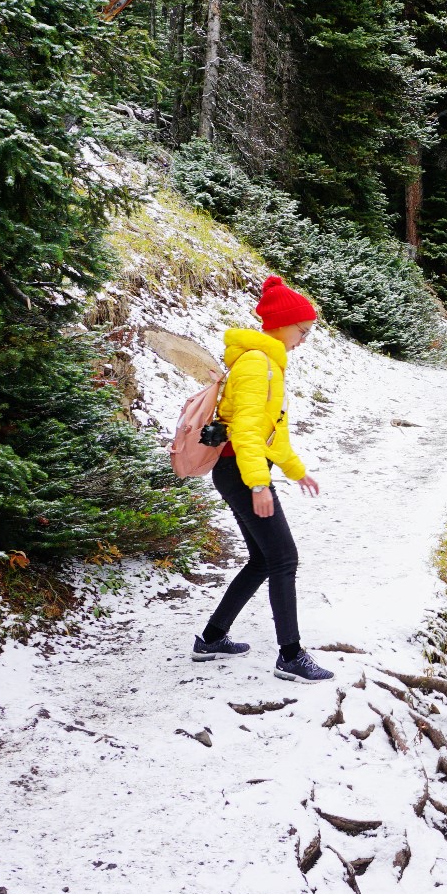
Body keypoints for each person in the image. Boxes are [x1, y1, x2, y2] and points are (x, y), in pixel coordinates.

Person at [192, 275, 336, 683]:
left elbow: (273, 432)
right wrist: (258, 484)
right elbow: (249, 431)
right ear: (282, 324)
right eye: (303, 330)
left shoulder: (267, 362)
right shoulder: (258, 364)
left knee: (262, 560)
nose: (305, 339)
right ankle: (290, 656)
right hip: (241, 471)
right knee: (284, 559)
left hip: (242, 468)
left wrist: (296, 470)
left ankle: (212, 638)